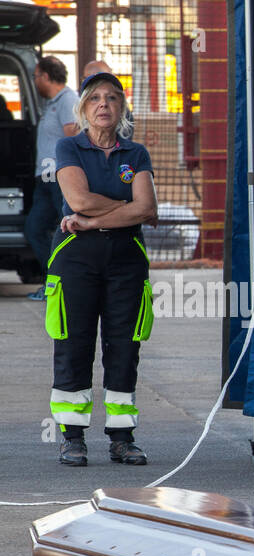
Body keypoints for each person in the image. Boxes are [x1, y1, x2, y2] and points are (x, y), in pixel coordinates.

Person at [47, 72, 157, 467]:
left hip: (126, 260)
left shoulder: (136, 154)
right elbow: (77, 197)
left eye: (112, 97)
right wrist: (122, 210)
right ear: (84, 108)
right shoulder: (69, 147)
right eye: (95, 98)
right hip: (76, 259)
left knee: (125, 347)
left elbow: (148, 209)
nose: (104, 104)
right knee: (74, 344)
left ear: (122, 107)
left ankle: (122, 438)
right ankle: (72, 437)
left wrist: (93, 218)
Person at [25, 56, 78, 302]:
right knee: (35, 228)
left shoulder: (67, 100)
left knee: (67, 229)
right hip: (45, 177)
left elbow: (73, 137)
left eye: (36, 76)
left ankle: (68, 283)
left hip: (59, 176)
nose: (35, 81)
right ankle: (54, 282)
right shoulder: (52, 104)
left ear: (46, 76)